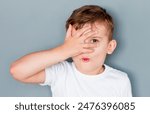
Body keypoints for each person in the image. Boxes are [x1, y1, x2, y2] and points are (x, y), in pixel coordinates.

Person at [10, 5, 132, 97]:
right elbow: (17, 71)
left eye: (94, 40)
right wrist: (65, 50)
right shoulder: (61, 72)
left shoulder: (120, 80)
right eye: (78, 42)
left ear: (110, 46)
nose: (85, 49)